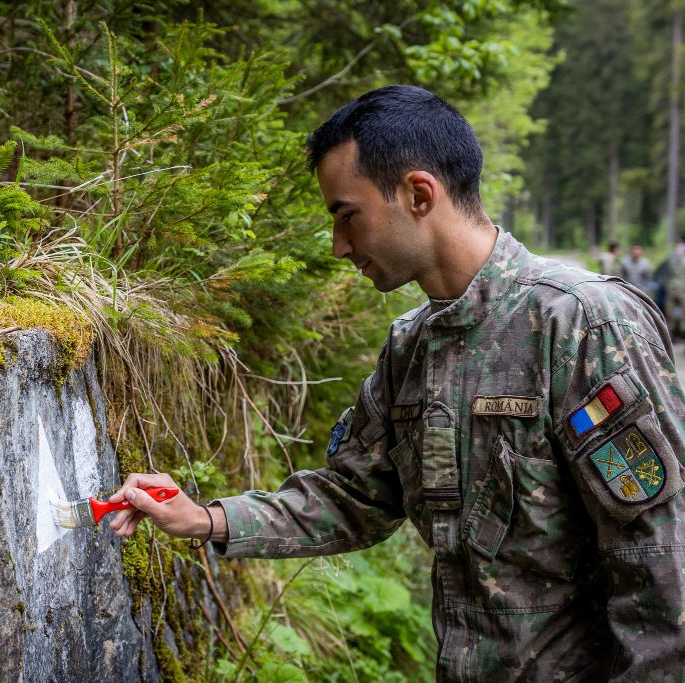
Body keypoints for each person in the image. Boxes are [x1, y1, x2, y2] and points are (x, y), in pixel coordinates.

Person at [106, 85, 685, 681]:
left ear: (418, 194)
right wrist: (205, 519)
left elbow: (663, 564)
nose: (338, 246)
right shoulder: (410, 348)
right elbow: (353, 497)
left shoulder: (582, 323)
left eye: (347, 215)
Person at [662, 239, 685, 340]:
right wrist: (666, 286)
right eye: (677, 248)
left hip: (682, 290)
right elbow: (664, 274)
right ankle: (670, 336)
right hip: (671, 290)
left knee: (683, 316)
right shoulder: (670, 261)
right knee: (669, 314)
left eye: (681, 248)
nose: (679, 250)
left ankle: (682, 334)